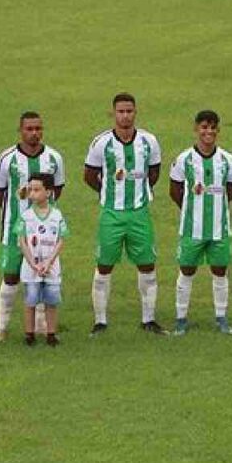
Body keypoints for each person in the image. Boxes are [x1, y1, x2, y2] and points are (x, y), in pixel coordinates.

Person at [84, 92, 165, 335]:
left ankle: (149, 319)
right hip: (111, 214)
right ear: (113, 113)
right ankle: (100, 321)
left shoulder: (149, 141)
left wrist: (140, 191)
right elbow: (89, 175)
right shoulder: (101, 143)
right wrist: (108, 192)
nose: (125, 116)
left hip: (139, 213)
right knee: (104, 265)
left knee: (147, 265)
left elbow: (154, 172)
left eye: (129, 111)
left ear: (135, 112)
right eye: (121, 111)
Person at [0, 112, 65, 342]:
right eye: (29, 129)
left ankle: (42, 326)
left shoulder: (54, 158)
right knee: (11, 276)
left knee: (43, 275)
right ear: (20, 130)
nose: (34, 133)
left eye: (38, 129)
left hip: (45, 233)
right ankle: (2, 327)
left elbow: (57, 189)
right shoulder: (6, 159)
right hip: (13, 229)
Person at [169, 110, 232, 335]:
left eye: (212, 127)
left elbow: (231, 190)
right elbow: (175, 190)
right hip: (192, 228)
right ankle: (181, 318)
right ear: (196, 129)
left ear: (218, 130)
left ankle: (221, 318)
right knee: (187, 270)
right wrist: (192, 210)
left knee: (220, 271)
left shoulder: (227, 160)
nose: (208, 132)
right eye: (204, 127)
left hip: (220, 229)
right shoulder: (184, 159)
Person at [17, 174, 68, 346]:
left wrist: (49, 262)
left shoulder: (57, 215)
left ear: (48, 192)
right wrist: (32, 263)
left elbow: (61, 240)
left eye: (37, 190)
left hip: (51, 267)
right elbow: (22, 241)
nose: (32, 193)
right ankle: (29, 334)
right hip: (31, 267)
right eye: (31, 189)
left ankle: (51, 333)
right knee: (30, 300)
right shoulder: (26, 216)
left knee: (51, 301)